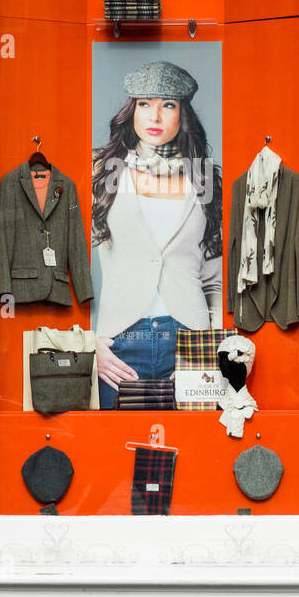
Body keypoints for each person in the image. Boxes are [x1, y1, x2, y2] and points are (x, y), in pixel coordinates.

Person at [91, 61, 223, 407]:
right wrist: (92, 340)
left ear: (183, 114)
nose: (155, 116)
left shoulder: (206, 180)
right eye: (144, 104)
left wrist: (207, 353)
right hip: (119, 340)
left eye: (168, 105)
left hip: (187, 338)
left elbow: (213, 278)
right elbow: (73, 262)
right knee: (116, 451)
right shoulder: (103, 174)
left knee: (193, 451)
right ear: (131, 110)